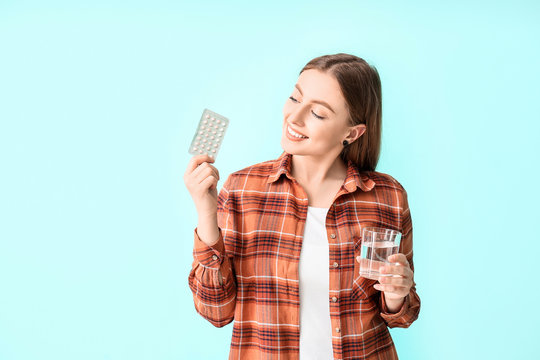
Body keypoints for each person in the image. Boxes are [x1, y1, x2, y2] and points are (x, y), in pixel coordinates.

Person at [184, 53, 420, 360]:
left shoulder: (386, 196)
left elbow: (402, 315)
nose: (294, 118)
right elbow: (215, 311)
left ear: (352, 133)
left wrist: (396, 294)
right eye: (295, 98)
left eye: (318, 114)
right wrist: (206, 212)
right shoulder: (243, 189)